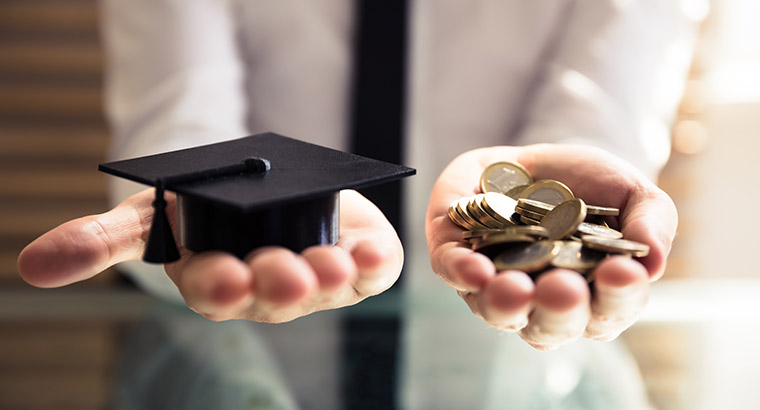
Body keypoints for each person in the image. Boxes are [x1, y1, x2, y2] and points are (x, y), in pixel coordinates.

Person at [18, 1, 695, 351]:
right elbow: (180, 116)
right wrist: (207, 204)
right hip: (233, 362)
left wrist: (575, 206)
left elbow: (604, 112)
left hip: (521, 380)